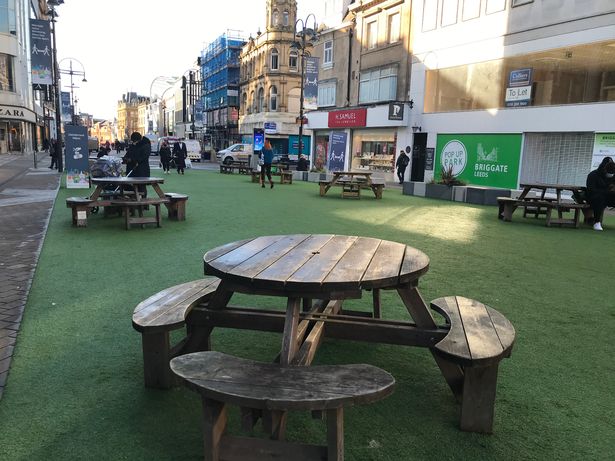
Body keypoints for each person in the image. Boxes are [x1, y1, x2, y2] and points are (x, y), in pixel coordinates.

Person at [586, 157, 615, 231]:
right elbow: (591, 190)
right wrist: (605, 191)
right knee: (600, 198)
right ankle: (597, 222)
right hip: (594, 197)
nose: (610, 174)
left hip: (609, 197)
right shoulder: (593, 175)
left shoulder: (613, 176)